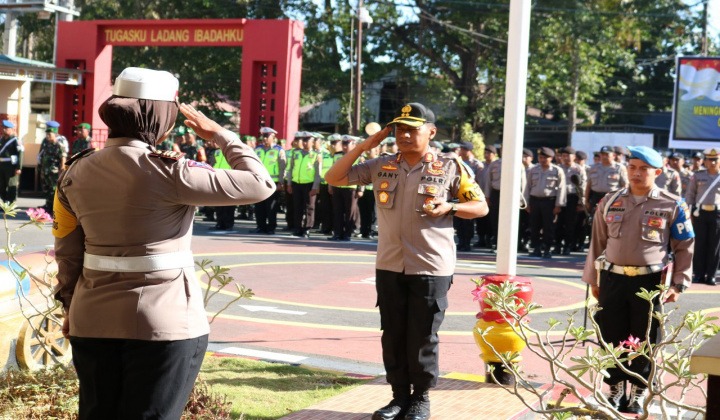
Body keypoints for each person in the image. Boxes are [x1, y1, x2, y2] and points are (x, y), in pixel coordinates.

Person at [52, 67, 275, 419]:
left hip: (91, 318)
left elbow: (67, 251)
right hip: (163, 323)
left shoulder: (74, 172)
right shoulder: (171, 171)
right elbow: (261, 184)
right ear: (160, 119)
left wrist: (69, 306)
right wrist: (222, 136)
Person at [325, 103, 488, 420]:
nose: (404, 134)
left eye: (412, 128)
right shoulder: (381, 164)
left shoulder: (451, 166)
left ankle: (421, 398)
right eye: (399, 129)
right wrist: (364, 146)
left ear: (431, 131)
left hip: (431, 266)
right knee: (393, 333)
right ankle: (398, 397)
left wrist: (450, 207)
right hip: (389, 264)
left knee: (423, 335)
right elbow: (334, 176)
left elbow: (480, 207)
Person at [582, 145, 694, 415]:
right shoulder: (610, 201)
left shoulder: (671, 204)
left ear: (657, 171)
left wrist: (678, 283)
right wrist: (593, 281)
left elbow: (684, 245)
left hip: (649, 281)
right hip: (612, 279)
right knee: (611, 335)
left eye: (644, 169)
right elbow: (597, 242)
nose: (636, 173)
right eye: (632, 167)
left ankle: (640, 390)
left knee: (646, 337)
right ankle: (616, 388)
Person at [685, 148, 720, 285]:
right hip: (700, 213)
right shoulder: (697, 176)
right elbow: (690, 195)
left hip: (717, 214)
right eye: (709, 160)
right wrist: (688, 212)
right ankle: (698, 274)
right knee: (699, 245)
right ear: (705, 161)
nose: (712, 163)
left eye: (715, 160)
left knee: (715, 246)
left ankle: (711, 275)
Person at [525, 147, 566, 258]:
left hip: (549, 202)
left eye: (545, 158)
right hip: (534, 201)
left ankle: (547, 249)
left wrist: (558, 205)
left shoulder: (557, 170)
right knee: (534, 226)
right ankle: (536, 248)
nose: (542, 160)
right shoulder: (533, 170)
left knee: (548, 227)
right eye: (540, 157)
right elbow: (527, 187)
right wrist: (526, 203)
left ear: (551, 158)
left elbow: (562, 188)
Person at [287, 131, 321, 238]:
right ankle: (297, 228)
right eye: (303, 140)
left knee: (309, 208)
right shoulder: (295, 153)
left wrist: (315, 187)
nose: (305, 143)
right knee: (297, 207)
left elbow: (318, 173)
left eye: (307, 141)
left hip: (309, 184)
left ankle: (307, 228)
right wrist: (289, 183)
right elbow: (290, 169)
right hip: (297, 183)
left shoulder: (316, 155)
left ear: (312, 142)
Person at [252, 126, 286, 234]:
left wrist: (281, 182)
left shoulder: (279, 150)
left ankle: (271, 228)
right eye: (263, 136)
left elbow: (282, 167)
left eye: (267, 136)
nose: (265, 139)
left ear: (273, 137)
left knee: (271, 206)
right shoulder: (257, 150)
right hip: (259, 181)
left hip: (273, 182)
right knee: (259, 206)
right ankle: (260, 226)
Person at [329, 135, 361, 241]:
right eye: (343, 144)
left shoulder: (358, 156)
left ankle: (347, 234)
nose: (344, 146)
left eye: (347, 144)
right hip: (337, 186)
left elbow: (362, 174)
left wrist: (360, 189)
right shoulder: (337, 155)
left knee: (349, 212)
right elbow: (333, 171)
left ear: (353, 144)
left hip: (350, 187)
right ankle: (337, 233)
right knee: (337, 211)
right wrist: (330, 184)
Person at [555, 146, 586, 255]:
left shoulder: (578, 169)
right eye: (563, 156)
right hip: (559, 198)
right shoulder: (558, 168)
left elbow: (583, 186)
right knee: (558, 223)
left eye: (568, 156)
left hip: (572, 198)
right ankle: (557, 245)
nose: (566, 158)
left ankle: (567, 246)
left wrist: (581, 202)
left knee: (570, 224)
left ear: (573, 157)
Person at [585, 145, 628, 214]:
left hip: (612, 198)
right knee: (595, 221)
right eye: (602, 154)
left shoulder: (619, 168)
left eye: (607, 154)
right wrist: (586, 201)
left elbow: (625, 186)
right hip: (596, 198)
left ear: (613, 155)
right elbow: (588, 186)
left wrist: (622, 201)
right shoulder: (594, 168)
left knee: (611, 221)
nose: (604, 156)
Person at [38, 122, 67, 212]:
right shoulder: (46, 143)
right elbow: (42, 155)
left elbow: (63, 157)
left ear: (55, 134)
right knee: (46, 188)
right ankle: (48, 205)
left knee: (54, 189)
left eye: (49, 134)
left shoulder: (59, 144)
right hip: (46, 170)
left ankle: (54, 207)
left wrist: (62, 169)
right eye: (47, 134)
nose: (47, 136)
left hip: (54, 171)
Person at [0, 120, 23, 203]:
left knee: (11, 184)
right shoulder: (1, 139)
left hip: (11, 166)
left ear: (11, 129)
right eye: (3, 127)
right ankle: (3, 202)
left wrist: (18, 167)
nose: (4, 129)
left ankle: (11, 202)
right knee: (1, 185)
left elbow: (20, 154)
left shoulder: (15, 140)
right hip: (2, 165)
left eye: (6, 128)